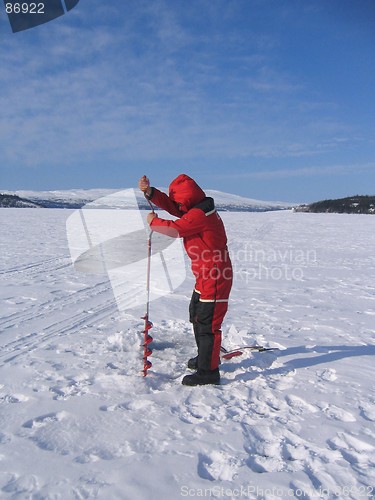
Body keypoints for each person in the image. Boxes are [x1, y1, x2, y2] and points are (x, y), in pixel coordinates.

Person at [138, 174, 233, 386]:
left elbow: (176, 229)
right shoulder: (196, 208)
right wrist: (151, 193)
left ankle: (208, 371)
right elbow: (175, 209)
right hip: (205, 275)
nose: (178, 207)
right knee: (197, 315)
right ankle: (204, 358)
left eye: (180, 202)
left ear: (188, 200)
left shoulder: (201, 215)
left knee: (208, 324)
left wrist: (154, 222)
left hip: (216, 276)